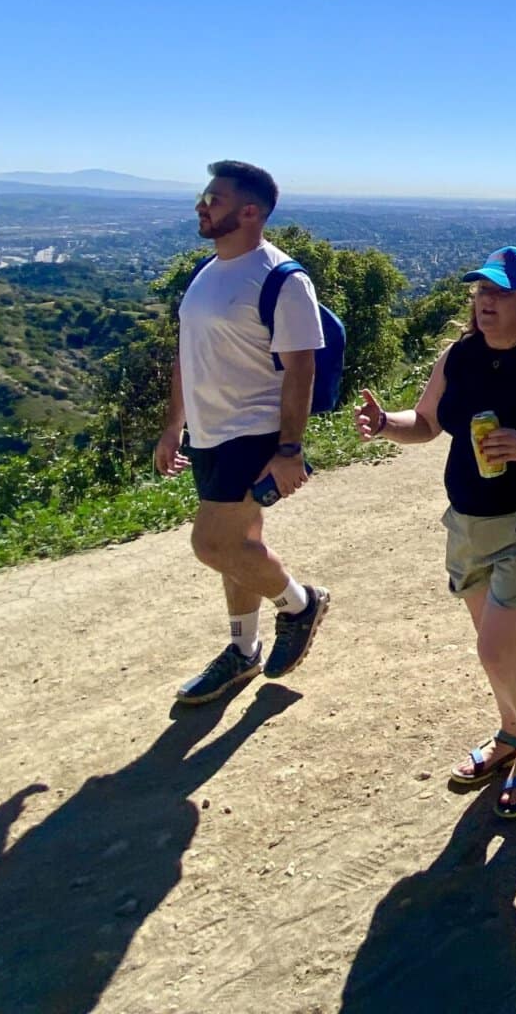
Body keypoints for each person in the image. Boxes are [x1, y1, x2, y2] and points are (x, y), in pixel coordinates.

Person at [355, 247, 516, 819]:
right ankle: (514, 730)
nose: (485, 302)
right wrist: (386, 425)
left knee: (497, 646)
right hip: (470, 518)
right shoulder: (460, 356)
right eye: (480, 291)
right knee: (497, 651)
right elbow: (427, 422)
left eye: (500, 293)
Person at [155, 160, 333, 706]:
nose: (201, 205)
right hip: (208, 434)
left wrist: (289, 450)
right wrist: (174, 427)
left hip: (250, 431)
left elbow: (301, 369)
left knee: (211, 543)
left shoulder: (283, 280)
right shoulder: (206, 275)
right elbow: (188, 356)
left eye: (214, 197)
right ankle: (243, 649)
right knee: (240, 546)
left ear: (250, 211)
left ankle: (301, 603)